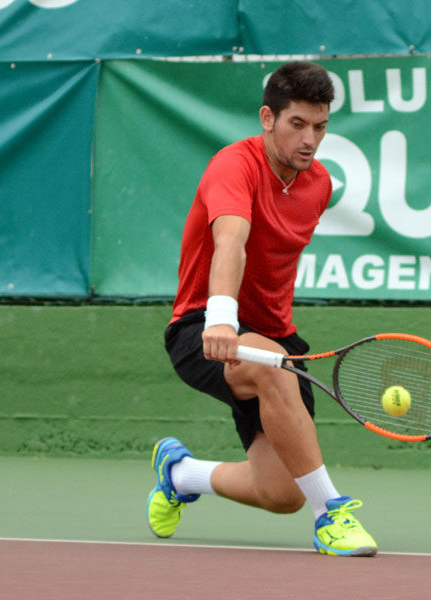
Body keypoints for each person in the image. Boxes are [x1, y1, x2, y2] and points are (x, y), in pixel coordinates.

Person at [146, 61, 377, 557]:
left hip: (276, 336)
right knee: (271, 373)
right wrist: (222, 316)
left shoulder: (319, 186)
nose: (310, 139)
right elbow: (232, 240)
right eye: (297, 124)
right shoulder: (234, 164)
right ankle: (331, 514)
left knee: (282, 493)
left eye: (320, 127)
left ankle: (181, 473)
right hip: (203, 326)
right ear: (267, 118)